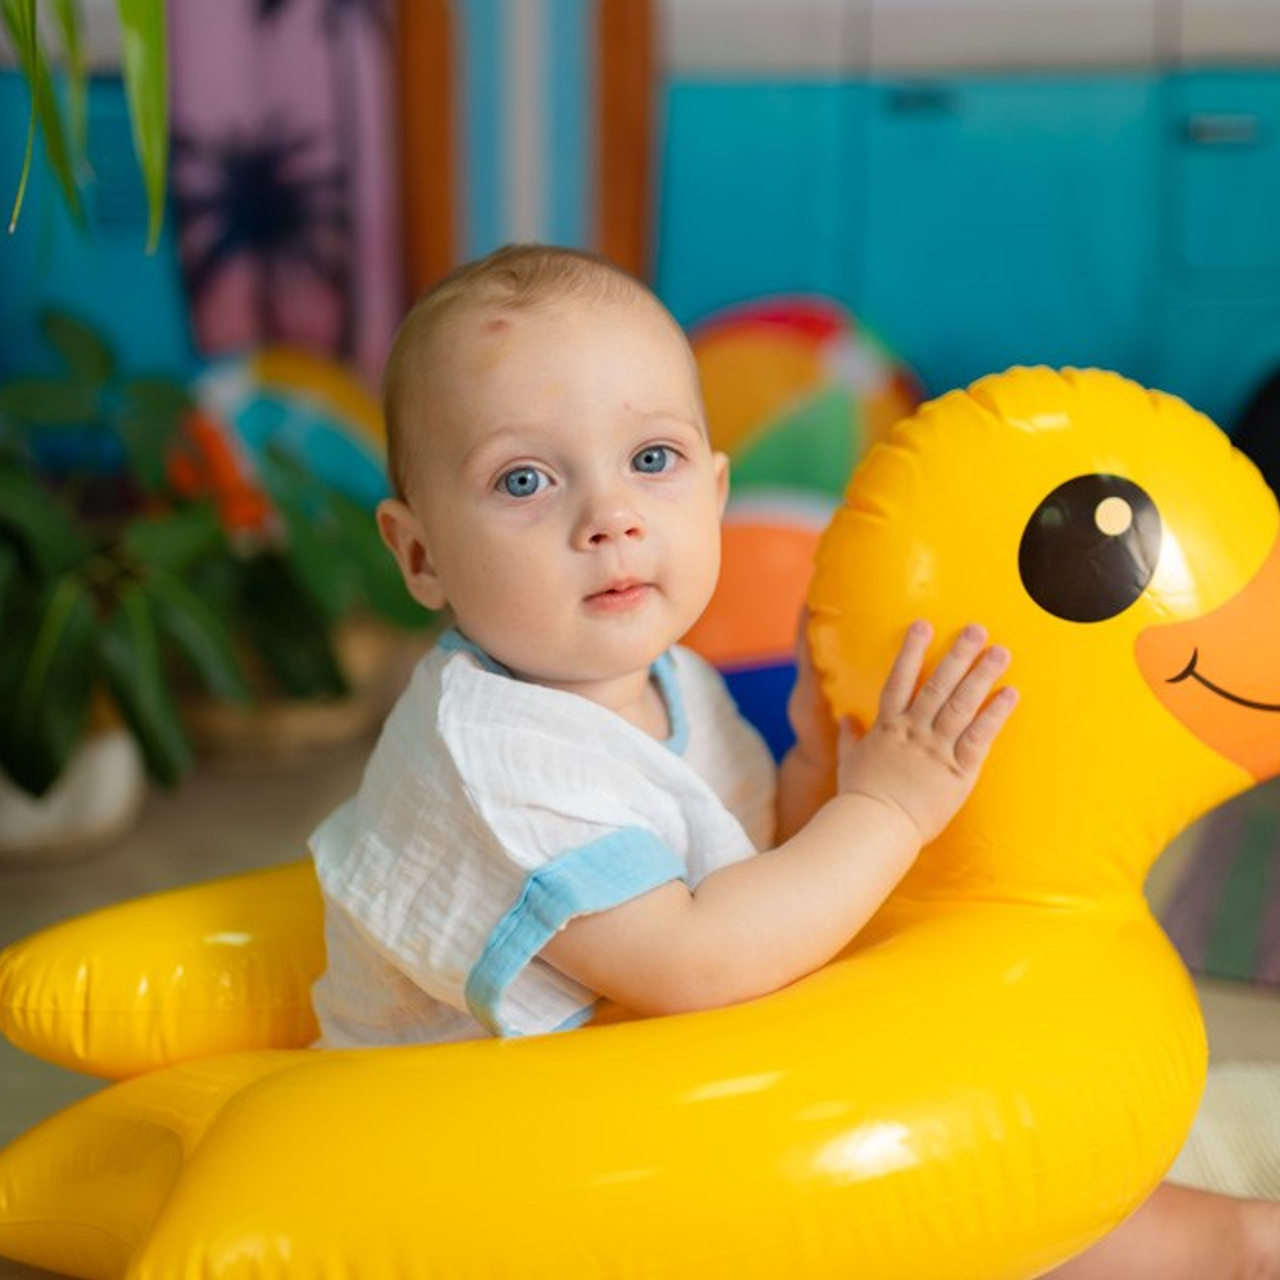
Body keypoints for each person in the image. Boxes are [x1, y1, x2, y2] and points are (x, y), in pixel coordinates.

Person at [309, 243, 1280, 1279]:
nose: (609, 517)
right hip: (493, 1167)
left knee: (972, 1147)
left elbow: (744, 858)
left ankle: (1212, 1240)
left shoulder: (664, 676)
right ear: (418, 554)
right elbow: (692, 961)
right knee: (913, 1188)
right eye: (524, 479)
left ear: (715, 489)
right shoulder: (499, 750)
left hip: (642, 1098)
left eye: (650, 460)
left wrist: (817, 765)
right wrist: (886, 809)